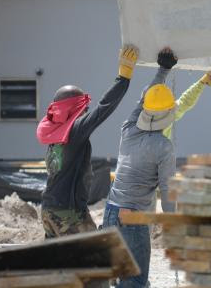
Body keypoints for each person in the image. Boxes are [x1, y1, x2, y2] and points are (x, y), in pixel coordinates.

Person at [36, 44, 139, 238]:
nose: (86, 112)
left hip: (49, 209)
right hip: (69, 212)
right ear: (76, 108)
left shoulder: (56, 134)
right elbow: (103, 108)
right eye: (83, 108)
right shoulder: (75, 131)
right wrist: (123, 78)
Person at [103, 48, 179, 288]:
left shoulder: (129, 128)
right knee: (133, 281)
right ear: (169, 114)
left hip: (110, 213)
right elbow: (168, 191)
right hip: (133, 218)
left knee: (116, 277)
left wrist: (163, 70)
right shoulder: (163, 147)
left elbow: (145, 98)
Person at [163, 71, 211, 140]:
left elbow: (185, 102)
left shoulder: (163, 119)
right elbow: (185, 102)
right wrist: (202, 82)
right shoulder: (165, 119)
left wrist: (202, 82)